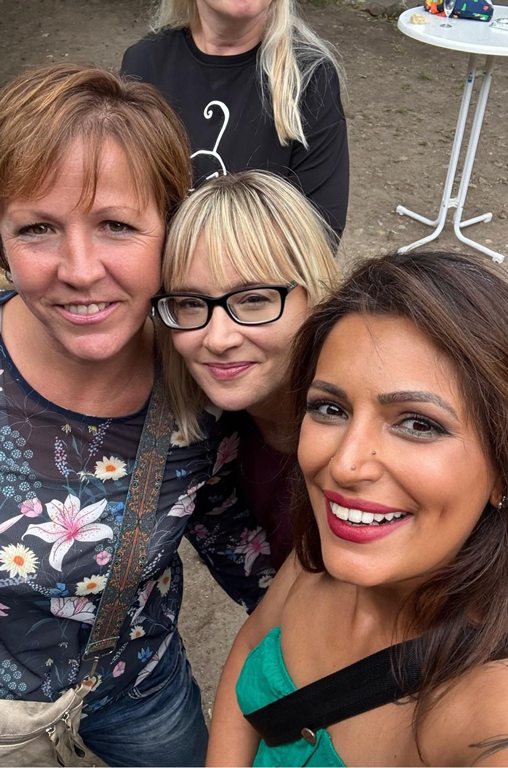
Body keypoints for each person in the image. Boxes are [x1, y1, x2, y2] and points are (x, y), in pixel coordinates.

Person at [0, 64, 273, 768]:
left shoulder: (201, 375)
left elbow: (224, 521)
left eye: (116, 225)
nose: (80, 269)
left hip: (137, 686)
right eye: (38, 228)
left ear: (169, 231)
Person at [206, 250, 508, 767]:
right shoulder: (316, 557)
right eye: (330, 408)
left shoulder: (490, 714)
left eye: (418, 423)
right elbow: (250, 648)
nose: (345, 465)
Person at [152, 170, 340, 571]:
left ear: (316, 295)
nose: (219, 339)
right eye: (190, 303)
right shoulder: (202, 446)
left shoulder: (370, 443)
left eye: (254, 299)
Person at [120, 0, 349, 239]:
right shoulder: (146, 63)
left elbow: (317, 233)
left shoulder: (310, 77)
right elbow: (123, 208)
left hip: (260, 264)